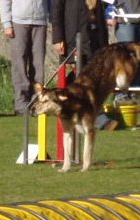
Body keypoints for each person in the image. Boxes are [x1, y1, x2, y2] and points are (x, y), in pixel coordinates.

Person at [51, 0, 118, 130]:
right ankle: (95, 117)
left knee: (94, 79)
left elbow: (103, 8)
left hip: (95, 37)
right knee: (80, 78)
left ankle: (89, 112)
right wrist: (57, 37)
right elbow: (56, 9)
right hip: (74, 34)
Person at [0, 0, 49, 115]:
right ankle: (21, 103)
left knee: (38, 63)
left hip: (40, 21)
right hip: (18, 21)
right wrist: (7, 23)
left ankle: (36, 100)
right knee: (19, 63)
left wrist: (50, 17)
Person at [112, 0, 140, 98]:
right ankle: (121, 94)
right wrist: (110, 14)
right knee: (125, 59)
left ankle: (136, 93)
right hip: (126, 21)